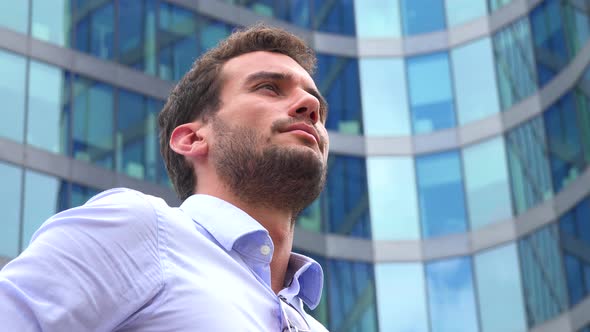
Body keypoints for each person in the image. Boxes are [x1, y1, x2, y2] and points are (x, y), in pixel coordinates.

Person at [0, 24, 330, 331]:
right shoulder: (139, 228)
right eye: (269, 88)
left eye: (318, 106)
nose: (310, 105)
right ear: (193, 138)